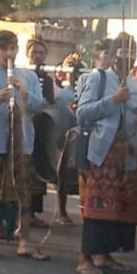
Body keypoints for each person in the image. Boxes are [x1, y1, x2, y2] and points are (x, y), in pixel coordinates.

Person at [0, 30, 48, 261]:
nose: (9, 54)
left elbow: (38, 108)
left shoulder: (29, 77)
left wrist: (23, 93)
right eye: (4, 49)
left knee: (23, 192)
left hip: (22, 143)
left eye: (13, 49)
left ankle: (25, 241)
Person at [75, 34, 137, 274]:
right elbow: (83, 113)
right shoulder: (98, 79)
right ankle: (85, 257)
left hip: (125, 153)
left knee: (119, 206)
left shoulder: (136, 86)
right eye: (123, 51)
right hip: (102, 151)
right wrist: (113, 100)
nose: (128, 56)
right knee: (97, 205)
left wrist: (134, 142)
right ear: (114, 55)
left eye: (132, 52)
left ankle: (104, 254)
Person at [26, 37, 55, 229]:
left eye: (41, 53)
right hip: (22, 124)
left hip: (39, 127)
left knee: (38, 169)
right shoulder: (19, 74)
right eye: (34, 52)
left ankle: (33, 212)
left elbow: (49, 101)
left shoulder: (47, 79)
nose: (37, 56)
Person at [53, 54, 84, 226]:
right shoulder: (62, 95)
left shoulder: (87, 92)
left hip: (83, 138)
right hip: (65, 138)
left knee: (84, 177)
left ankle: (85, 211)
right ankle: (62, 212)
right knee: (62, 177)